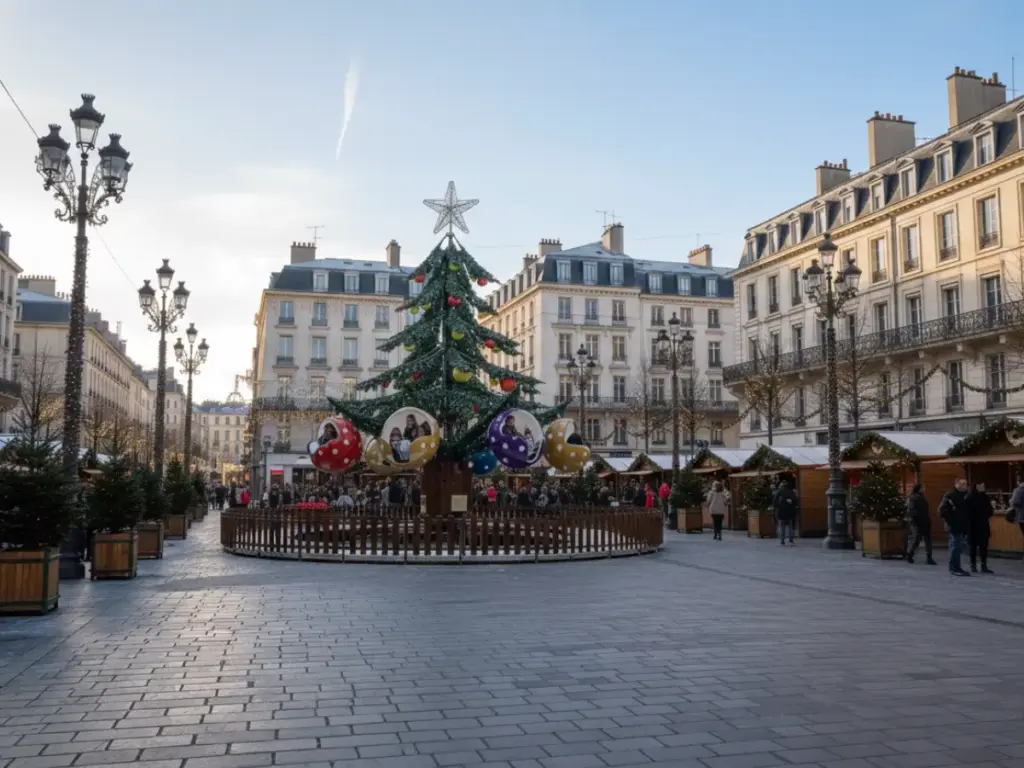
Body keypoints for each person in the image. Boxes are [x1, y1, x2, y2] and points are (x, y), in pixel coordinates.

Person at [938, 478, 970, 576]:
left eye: (965, 484)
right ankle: (954, 567)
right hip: (955, 525)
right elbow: (942, 511)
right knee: (955, 546)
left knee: (957, 546)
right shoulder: (951, 495)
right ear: (956, 484)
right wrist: (951, 521)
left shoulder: (964, 495)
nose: (964, 486)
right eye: (961, 484)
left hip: (961, 525)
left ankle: (956, 566)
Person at [904, 483, 936, 565]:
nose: (924, 489)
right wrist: (915, 519)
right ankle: (910, 555)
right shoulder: (913, 498)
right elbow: (911, 510)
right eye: (923, 488)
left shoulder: (921, 497)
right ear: (919, 489)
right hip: (918, 522)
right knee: (917, 540)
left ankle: (929, 557)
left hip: (925, 521)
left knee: (927, 540)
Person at [966, 481, 994, 574]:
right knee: (973, 547)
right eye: (982, 486)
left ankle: (983, 565)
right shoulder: (970, 497)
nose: (983, 487)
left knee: (983, 546)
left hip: (981, 525)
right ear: (977, 486)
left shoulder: (984, 497)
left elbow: (990, 511)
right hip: (973, 525)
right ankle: (974, 565)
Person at [773, 478, 798, 545]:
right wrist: (791, 502)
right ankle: (791, 539)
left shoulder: (779, 492)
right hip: (790, 512)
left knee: (782, 526)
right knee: (790, 526)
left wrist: (778, 506)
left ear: (782, 485)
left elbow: (774, 502)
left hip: (781, 512)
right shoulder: (791, 492)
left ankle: (782, 540)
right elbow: (795, 501)